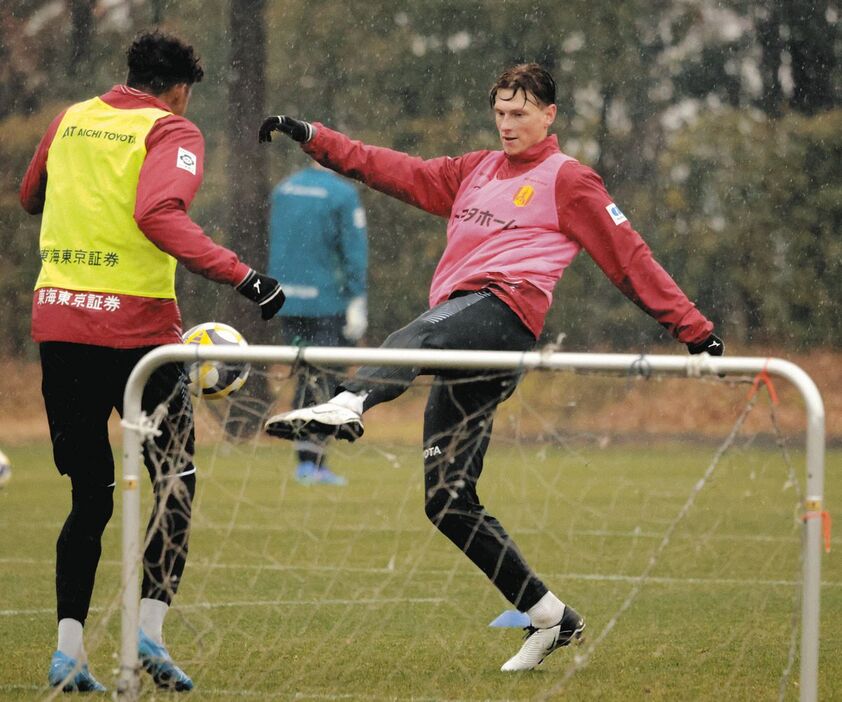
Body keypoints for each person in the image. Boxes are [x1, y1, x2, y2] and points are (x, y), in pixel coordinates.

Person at [258, 63, 723, 671]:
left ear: (550, 114)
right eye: (501, 113)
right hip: (464, 334)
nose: (507, 125)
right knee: (448, 500)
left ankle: (348, 403)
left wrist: (695, 331)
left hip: (504, 314)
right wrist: (313, 135)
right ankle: (551, 616)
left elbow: (629, 259)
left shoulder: (571, 180)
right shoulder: (473, 169)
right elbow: (389, 168)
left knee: (414, 334)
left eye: (520, 113)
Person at [20, 31, 285, 692]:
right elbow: (158, 214)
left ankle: (68, 651)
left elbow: (31, 197)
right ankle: (148, 638)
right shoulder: (173, 131)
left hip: (60, 326)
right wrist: (245, 277)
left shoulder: (71, 119)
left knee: (90, 494)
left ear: (129, 73)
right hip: (140, 336)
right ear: (179, 90)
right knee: (175, 480)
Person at [267, 163, 368, 485]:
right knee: (324, 382)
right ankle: (313, 462)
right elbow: (354, 249)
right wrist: (357, 298)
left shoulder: (284, 188)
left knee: (306, 377)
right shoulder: (342, 194)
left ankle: (306, 461)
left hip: (287, 300)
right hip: (326, 301)